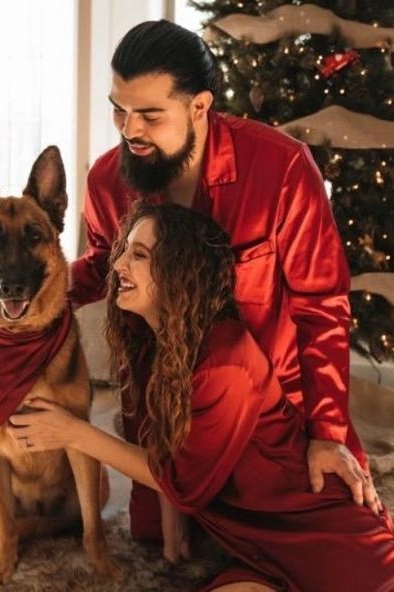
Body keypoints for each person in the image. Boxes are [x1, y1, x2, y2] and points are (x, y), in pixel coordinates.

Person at [68, 19, 380, 535]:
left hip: (273, 417)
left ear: (199, 107)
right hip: (163, 407)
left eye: (149, 115)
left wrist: (327, 432)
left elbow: (321, 305)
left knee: (340, 539)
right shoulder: (107, 179)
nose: (128, 131)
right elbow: (103, 264)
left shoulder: (281, 168)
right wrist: (34, 288)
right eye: (119, 110)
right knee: (153, 533)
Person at [9, 203, 394, 592]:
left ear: (179, 271)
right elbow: (167, 443)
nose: (119, 264)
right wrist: (173, 525)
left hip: (330, 544)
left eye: (138, 255)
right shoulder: (155, 345)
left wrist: (72, 432)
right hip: (258, 549)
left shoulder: (225, 362)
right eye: (123, 249)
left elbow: (181, 481)